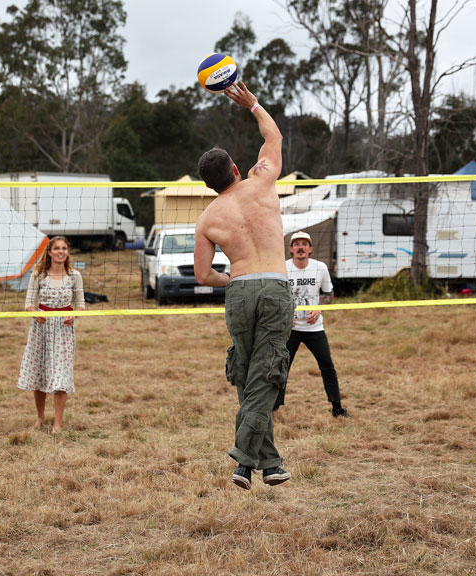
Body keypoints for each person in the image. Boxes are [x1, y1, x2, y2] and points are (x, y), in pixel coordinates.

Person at [194, 82, 294, 491]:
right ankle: (242, 460)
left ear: (208, 184)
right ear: (236, 169)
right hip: (273, 286)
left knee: (249, 373)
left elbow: (204, 277)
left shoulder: (207, 218)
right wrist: (251, 103)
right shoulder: (260, 181)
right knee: (265, 374)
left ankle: (269, 464)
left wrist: (230, 278)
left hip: (239, 290)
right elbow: (274, 136)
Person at [273, 231, 348, 417]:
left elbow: (329, 294)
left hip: (315, 327)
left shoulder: (320, 267)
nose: (301, 247)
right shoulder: (282, 268)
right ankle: (274, 407)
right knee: (282, 367)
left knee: (327, 366)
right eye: (297, 244)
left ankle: (337, 408)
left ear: (310, 249)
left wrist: (319, 308)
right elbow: (275, 296)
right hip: (291, 327)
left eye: (304, 244)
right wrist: (286, 314)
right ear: (291, 249)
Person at [17, 236, 85, 434]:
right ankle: (40, 417)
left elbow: (81, 304)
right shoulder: (39, 274)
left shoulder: (74, 276)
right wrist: (35, 312)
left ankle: (57, 424)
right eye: (57, 248)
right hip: (42, 328)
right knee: (40, 373)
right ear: (49, 252)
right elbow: (28, 303)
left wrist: (74, 314)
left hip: (63, 331)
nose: (61, 252)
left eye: (64, 248)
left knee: (61, 376)